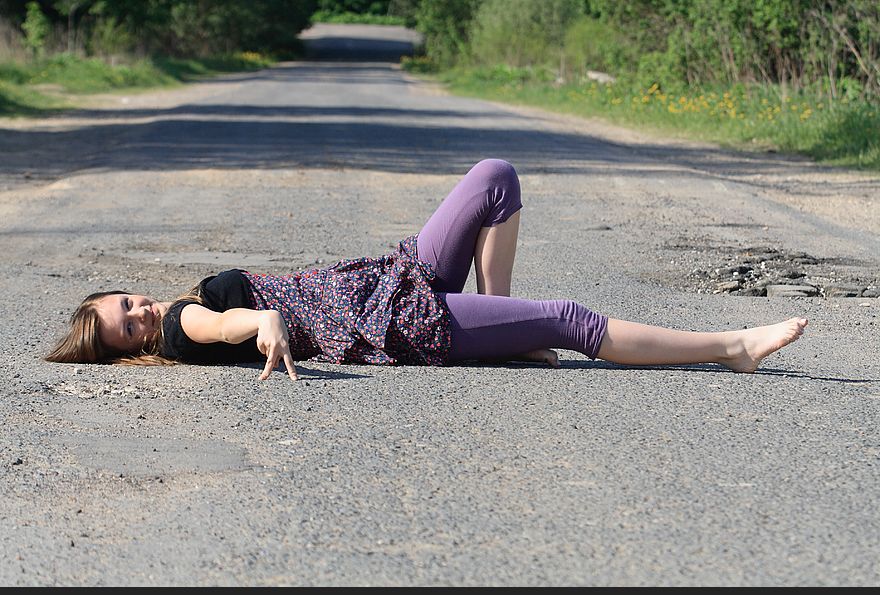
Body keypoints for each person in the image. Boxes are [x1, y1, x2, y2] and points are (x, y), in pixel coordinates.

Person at [45, 159, 808, 380]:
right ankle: (728, 347)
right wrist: (263, 320)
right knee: (572, 321)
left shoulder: (172, 310)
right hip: (401, 321)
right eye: (130, 322)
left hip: (395, 275)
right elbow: (224, 322)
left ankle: (505, 329)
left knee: (494, 178)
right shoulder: (186, 325)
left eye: (130, 299)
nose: (143, 307)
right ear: (133, 346)